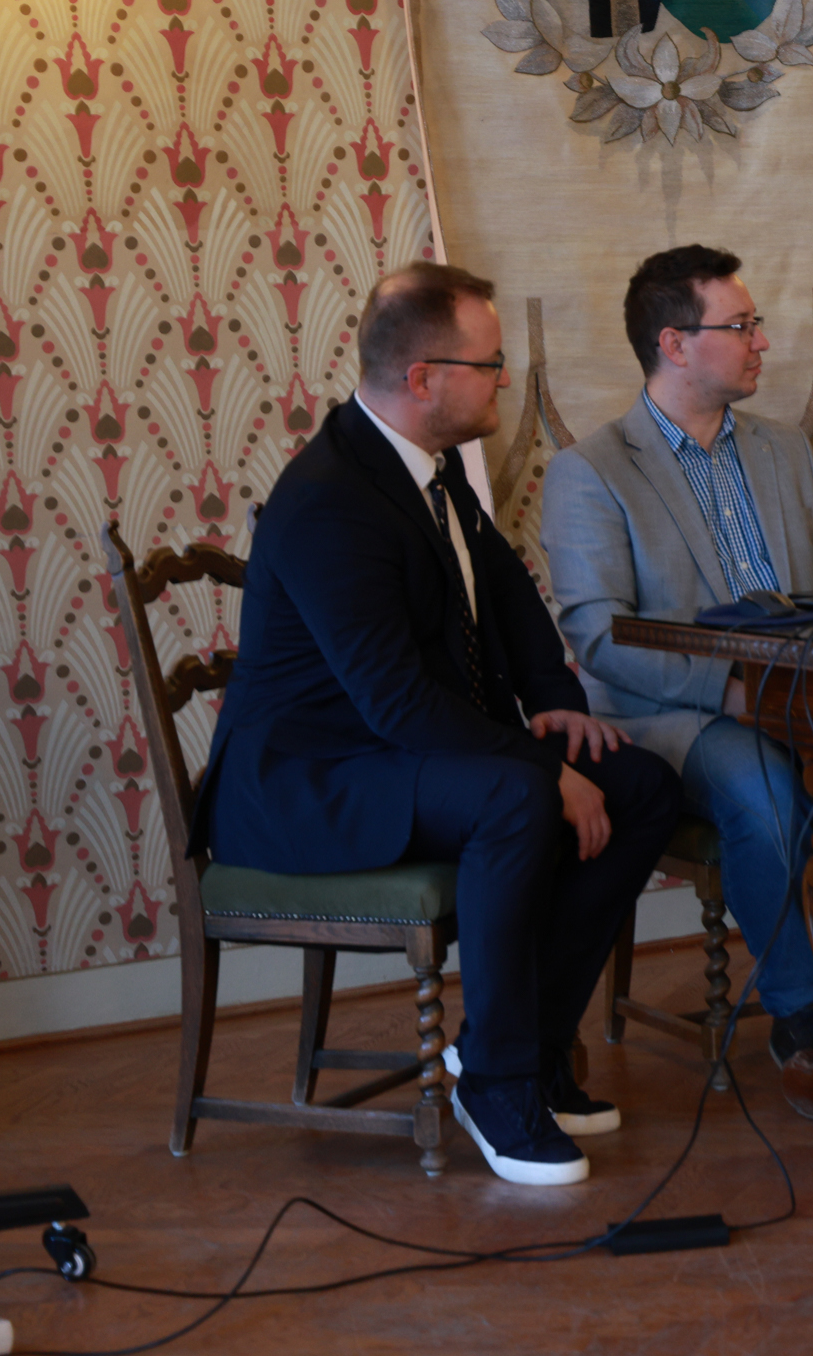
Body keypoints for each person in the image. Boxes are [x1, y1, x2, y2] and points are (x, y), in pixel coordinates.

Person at [193, 262, 681, 1187]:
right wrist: (546, 771)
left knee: (641, 785)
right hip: (305, 785)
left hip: (394, 753)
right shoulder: (330, 498)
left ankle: (528, 1046)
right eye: (489, 363)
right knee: (515, 796)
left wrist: (558, 708)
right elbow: (396, 701)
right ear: (423, 378)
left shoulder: (430, 463)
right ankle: (496, 1084)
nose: (505, 378)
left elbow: (506, 589)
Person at [542, 246, 813, 1068]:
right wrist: (731, 693)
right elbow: (600, 636)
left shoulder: (786, 451)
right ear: (675, 344)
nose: (763, 342)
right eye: (742, 326)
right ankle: (806, 1017)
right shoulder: (591, 471)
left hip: (803, 697)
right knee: (764, 789)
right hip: (671, 718)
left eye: (757, 324)